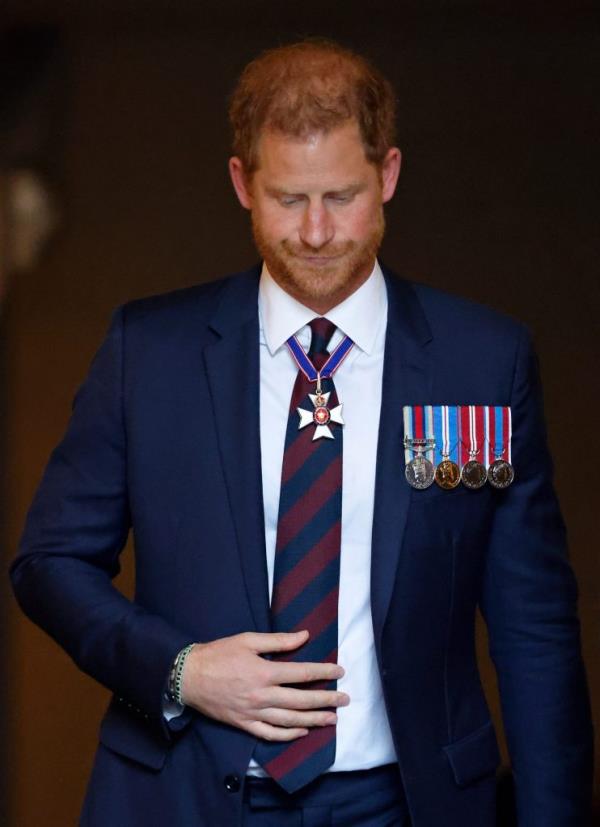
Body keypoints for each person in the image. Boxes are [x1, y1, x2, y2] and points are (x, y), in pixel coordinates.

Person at [10, 40, 593, 827]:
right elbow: (48, 562)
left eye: (342, 196)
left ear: (387, 175)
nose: (317, 232)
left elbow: (534, 625)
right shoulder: (148, 352)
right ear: (242, 183)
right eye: (288, 200)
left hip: (405, 803)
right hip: (183, 798)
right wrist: (181, 670)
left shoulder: (481, 363)